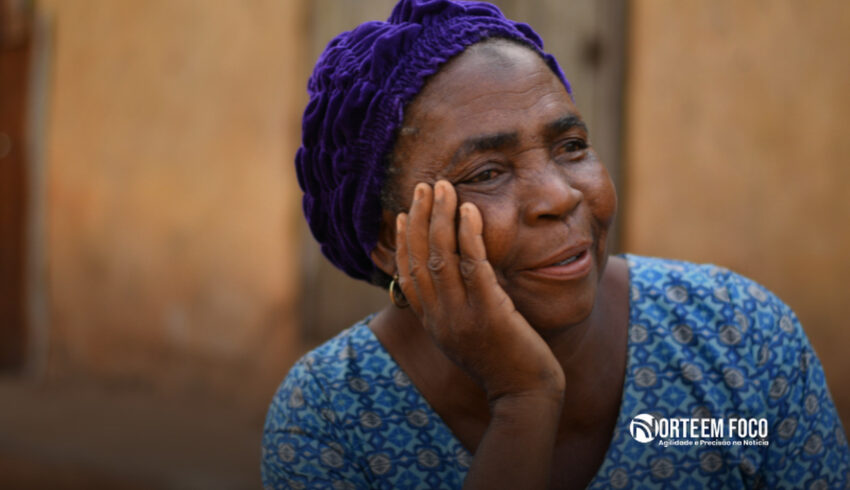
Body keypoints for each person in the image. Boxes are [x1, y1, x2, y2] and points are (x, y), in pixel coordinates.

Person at [262, 0, 849, 488]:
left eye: (570, 145)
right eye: (487, 172)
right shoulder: (332, 417)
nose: (560, 196)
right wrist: (523, 400)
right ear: (391, 245)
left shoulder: (739, 338)